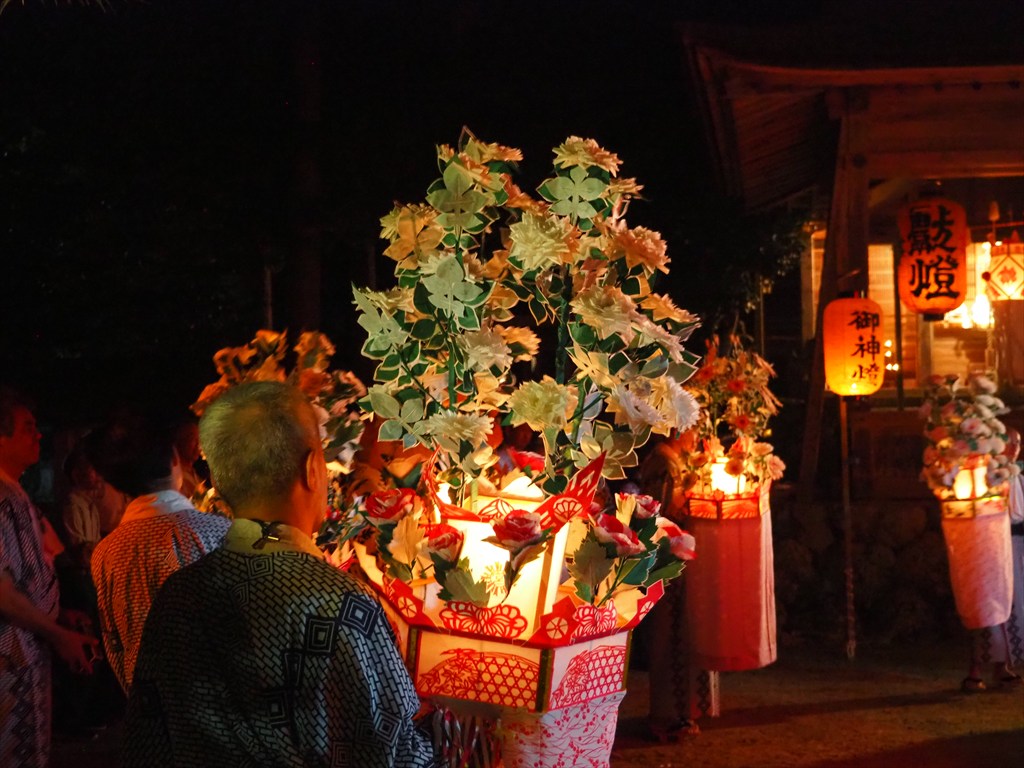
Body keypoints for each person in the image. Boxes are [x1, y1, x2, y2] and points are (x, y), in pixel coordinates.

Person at [122, 381, 436, 767]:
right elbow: (395, 753)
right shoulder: (338, 602)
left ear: (220, 481)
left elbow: (147, 742)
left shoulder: (179, 594)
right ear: (312, 469)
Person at [90, 407, 230, 693]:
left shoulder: (105, 552)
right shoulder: (216, 532)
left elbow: (113, 640)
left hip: (146, 703)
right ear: (174, 458)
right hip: (213, 701)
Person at [0, 387, 100, 768]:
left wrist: (55, 617)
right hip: (11, 656)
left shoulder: (14, 492)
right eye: (27, 428)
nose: (38, 435)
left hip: (26, 650)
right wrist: (57, 634)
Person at [636, 431, 709, 741]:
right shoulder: (664, 462)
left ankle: (677, 712)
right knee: (668, 635)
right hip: (666, 556)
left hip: (673, 555)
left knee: (676, 635)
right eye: (693, 428)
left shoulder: (670, 459)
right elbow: (661, 512)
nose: (696, 436)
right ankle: (667, 716)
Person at [1003, 427, 1023, 671]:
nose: (1014, 449)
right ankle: (1002, 663)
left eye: (1017, 444)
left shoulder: (1019, 478)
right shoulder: (992, 477)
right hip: (1002, 546)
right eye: (1009, 443)